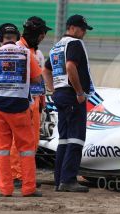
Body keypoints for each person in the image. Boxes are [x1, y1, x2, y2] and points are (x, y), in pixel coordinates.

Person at [43, 14, 94, 192]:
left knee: (64, 139)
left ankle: (60, 180)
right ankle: (68, 180)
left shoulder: (57, 46)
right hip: (73, 95)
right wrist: (79, 92)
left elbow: (46, 69)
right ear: (72, 27)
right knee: (76, 138)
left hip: (61, 95)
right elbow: (71, 67)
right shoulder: (75, 44)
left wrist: (53, 90)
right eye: (82, 29)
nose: (84, 33)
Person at [0, 23, 42, 197]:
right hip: (20, 108)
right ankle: (28, 188)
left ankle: (5, 189)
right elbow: (37, 79)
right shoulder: (26, 53)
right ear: (17, 37)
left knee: (1, 149)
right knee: (26, 149)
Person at [10, 16, 51, 188]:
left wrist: (42, 100)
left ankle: (27, 175)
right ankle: (16, 175)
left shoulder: (37, 53)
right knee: (17, 140)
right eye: (42, 33)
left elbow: (39, 79)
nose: (43, 36)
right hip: (21, 103)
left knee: (32, 142)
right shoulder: (17, 49)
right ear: (35, 32)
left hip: (35, 104)